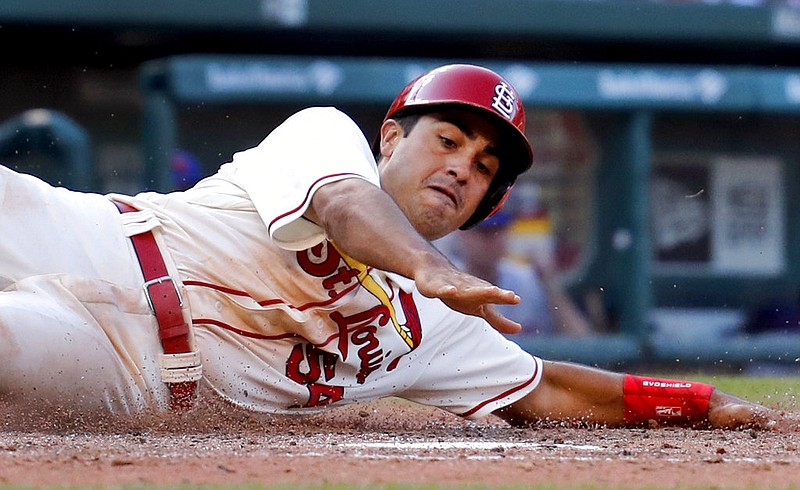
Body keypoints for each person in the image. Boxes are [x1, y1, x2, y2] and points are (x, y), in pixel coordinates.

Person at [0, 64, 791, 430]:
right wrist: (430, 269)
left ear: (488, 200)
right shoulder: (326, 137)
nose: (461, 167)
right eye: (448, 140)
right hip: (99, 235)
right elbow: (345, 205)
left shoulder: (437, 323)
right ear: (391, 137)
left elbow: (548, 390)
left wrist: (696, 403)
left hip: (128, 368)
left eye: (484, 168)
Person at [448, 208, 595, 337]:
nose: (494, 240)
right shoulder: (448, 280)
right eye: (485, 232)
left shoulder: (528, 278)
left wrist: (549, 286)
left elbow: (582, 337)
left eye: (499, 230)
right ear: (463, 236)